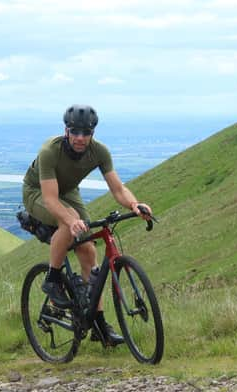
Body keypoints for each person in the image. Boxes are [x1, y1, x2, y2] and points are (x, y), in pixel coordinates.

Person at [22, 104, 153, 346]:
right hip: (37, 192)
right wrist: (71, 221)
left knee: (89, 250)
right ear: (66, 130)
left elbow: (117, 188)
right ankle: (52, 279)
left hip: (68, 191)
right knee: (69, 220)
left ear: (93, 133)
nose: (80, 138)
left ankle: (99, 325)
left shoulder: (100, 151)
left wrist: (135, 205)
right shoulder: (50, 151)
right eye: (75, 132)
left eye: (86, 133)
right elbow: (50, 199)